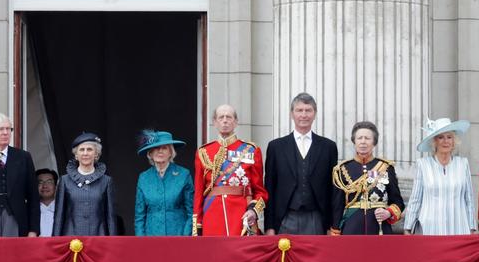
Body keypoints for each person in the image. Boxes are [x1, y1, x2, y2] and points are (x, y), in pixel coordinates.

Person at [264, 93, 338, 236]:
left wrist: (331, 225)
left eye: (308, 110)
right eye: (299, 110)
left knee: (316, 258)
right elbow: (270, 187)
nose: (304, 115)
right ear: (292, 114)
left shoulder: (328, 147)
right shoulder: (276, 147)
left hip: (316, 218)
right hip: (285, 217)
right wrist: (270, 226)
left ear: (314, 114)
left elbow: (332, 189)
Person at [193, 104, 267, 236]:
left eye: (229, 117)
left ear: (236, 122)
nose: (225, 120)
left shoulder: (251, 150)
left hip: (241, 215)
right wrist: (197, 226)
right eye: (221, 117)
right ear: (214, 122)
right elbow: (199, 193)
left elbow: (260, 192)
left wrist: (253, 211)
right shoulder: (203, 152)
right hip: (212, 216)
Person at [403, 117, 476, 235]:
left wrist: (472, 227)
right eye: (440, 137)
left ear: (454, 141)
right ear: (434, 141)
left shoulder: (463, 164)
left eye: (449, 137)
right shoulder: (423, 164)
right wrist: (408, 228)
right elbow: (416, 199)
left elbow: (469, 199)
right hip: (430, 228)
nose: (445, 141)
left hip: (459, 227)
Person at [331, 121, 404, 235]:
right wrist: (335, 231)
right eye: (359, 138)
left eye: (367, 138)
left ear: (374, 142)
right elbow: (337, 205)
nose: (363, 142)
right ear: (354, 141)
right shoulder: (343, 169)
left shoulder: (385, 167)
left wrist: (388, 212)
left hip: (379, 228)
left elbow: (397, 201)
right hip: (352, 228)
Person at [53, 132, 117, 237]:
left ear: (96, 154)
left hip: (99, 238)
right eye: (82, 150)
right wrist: (55, 242)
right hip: (70, 240)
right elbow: (59, 216)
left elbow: (110, 217)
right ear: (76, 155)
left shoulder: (106, 181)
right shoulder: (64, 180)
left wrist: (112, 243)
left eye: (90, 149)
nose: (85, 153)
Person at [134, 130, 194, 236]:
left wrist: (186, 237)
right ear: (150, 153)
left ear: (171, 152)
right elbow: (139, 215)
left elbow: (191, 211)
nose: (160, 151)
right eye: (156, 148)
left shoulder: (183, 174)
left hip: (178, 234)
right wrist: (141, 240)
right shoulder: (144, 178)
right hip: (152, 236)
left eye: (165, 148)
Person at [36, 168, 58, 237]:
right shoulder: (27, 211)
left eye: (49, 182)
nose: (45, 186)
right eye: (40, 182)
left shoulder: (64, 209)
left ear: (56, 186)